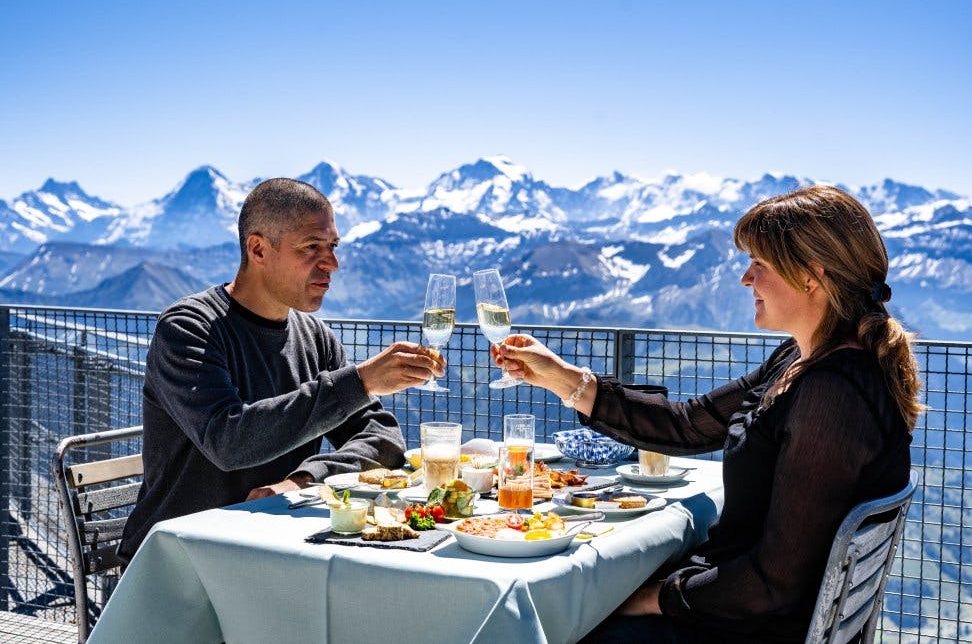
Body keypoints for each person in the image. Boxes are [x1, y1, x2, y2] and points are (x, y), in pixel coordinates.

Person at [494, 186, 921, 643]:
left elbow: (772, 586)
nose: (745, 278)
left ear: (810, 275)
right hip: (735, 609)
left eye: (760, 264)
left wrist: (652, 597)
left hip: (746, 628)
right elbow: (687, 424)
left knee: (557, 623)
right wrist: (560, 377)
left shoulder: (832, 395)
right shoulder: (799, 362)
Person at [118, 177, 443, 562]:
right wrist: (362, 381)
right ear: (258, 249)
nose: (332, 264)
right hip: (180, 554)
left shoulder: (315, 337)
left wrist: (304, 479)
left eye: (333, 247)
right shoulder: (189, 328)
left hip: (270, 550)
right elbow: (228, 441)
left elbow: (383, 439)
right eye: (312, 247)